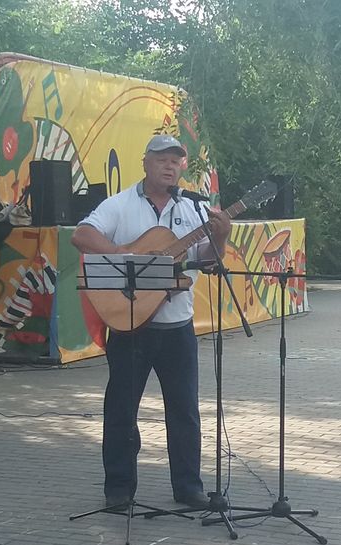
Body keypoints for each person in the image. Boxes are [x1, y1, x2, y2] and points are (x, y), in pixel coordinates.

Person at [71, 134, 232, 509]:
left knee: (185, 411)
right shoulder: (120, 204)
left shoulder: (193, 209)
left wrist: (221, 237)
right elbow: (82, 235)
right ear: (145, 163)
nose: (169, 166)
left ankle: (188, 487)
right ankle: (119, 489)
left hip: (178, 327)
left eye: (176, 161)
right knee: (121, 410)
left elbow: (209, 260)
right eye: (162, 159)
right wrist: (124, 255)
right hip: (129, 324)